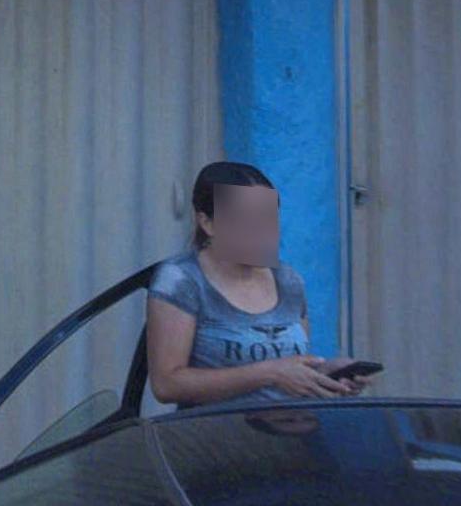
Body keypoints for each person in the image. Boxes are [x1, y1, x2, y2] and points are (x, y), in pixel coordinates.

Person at [146, 161, 361, 410]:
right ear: (207, 223)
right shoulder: (182, 280)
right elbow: (167, 384)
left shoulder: (287, 281)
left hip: (290, 428)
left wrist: (326, 374)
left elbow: (292, 369)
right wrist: (270, 373)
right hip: (216, 431)